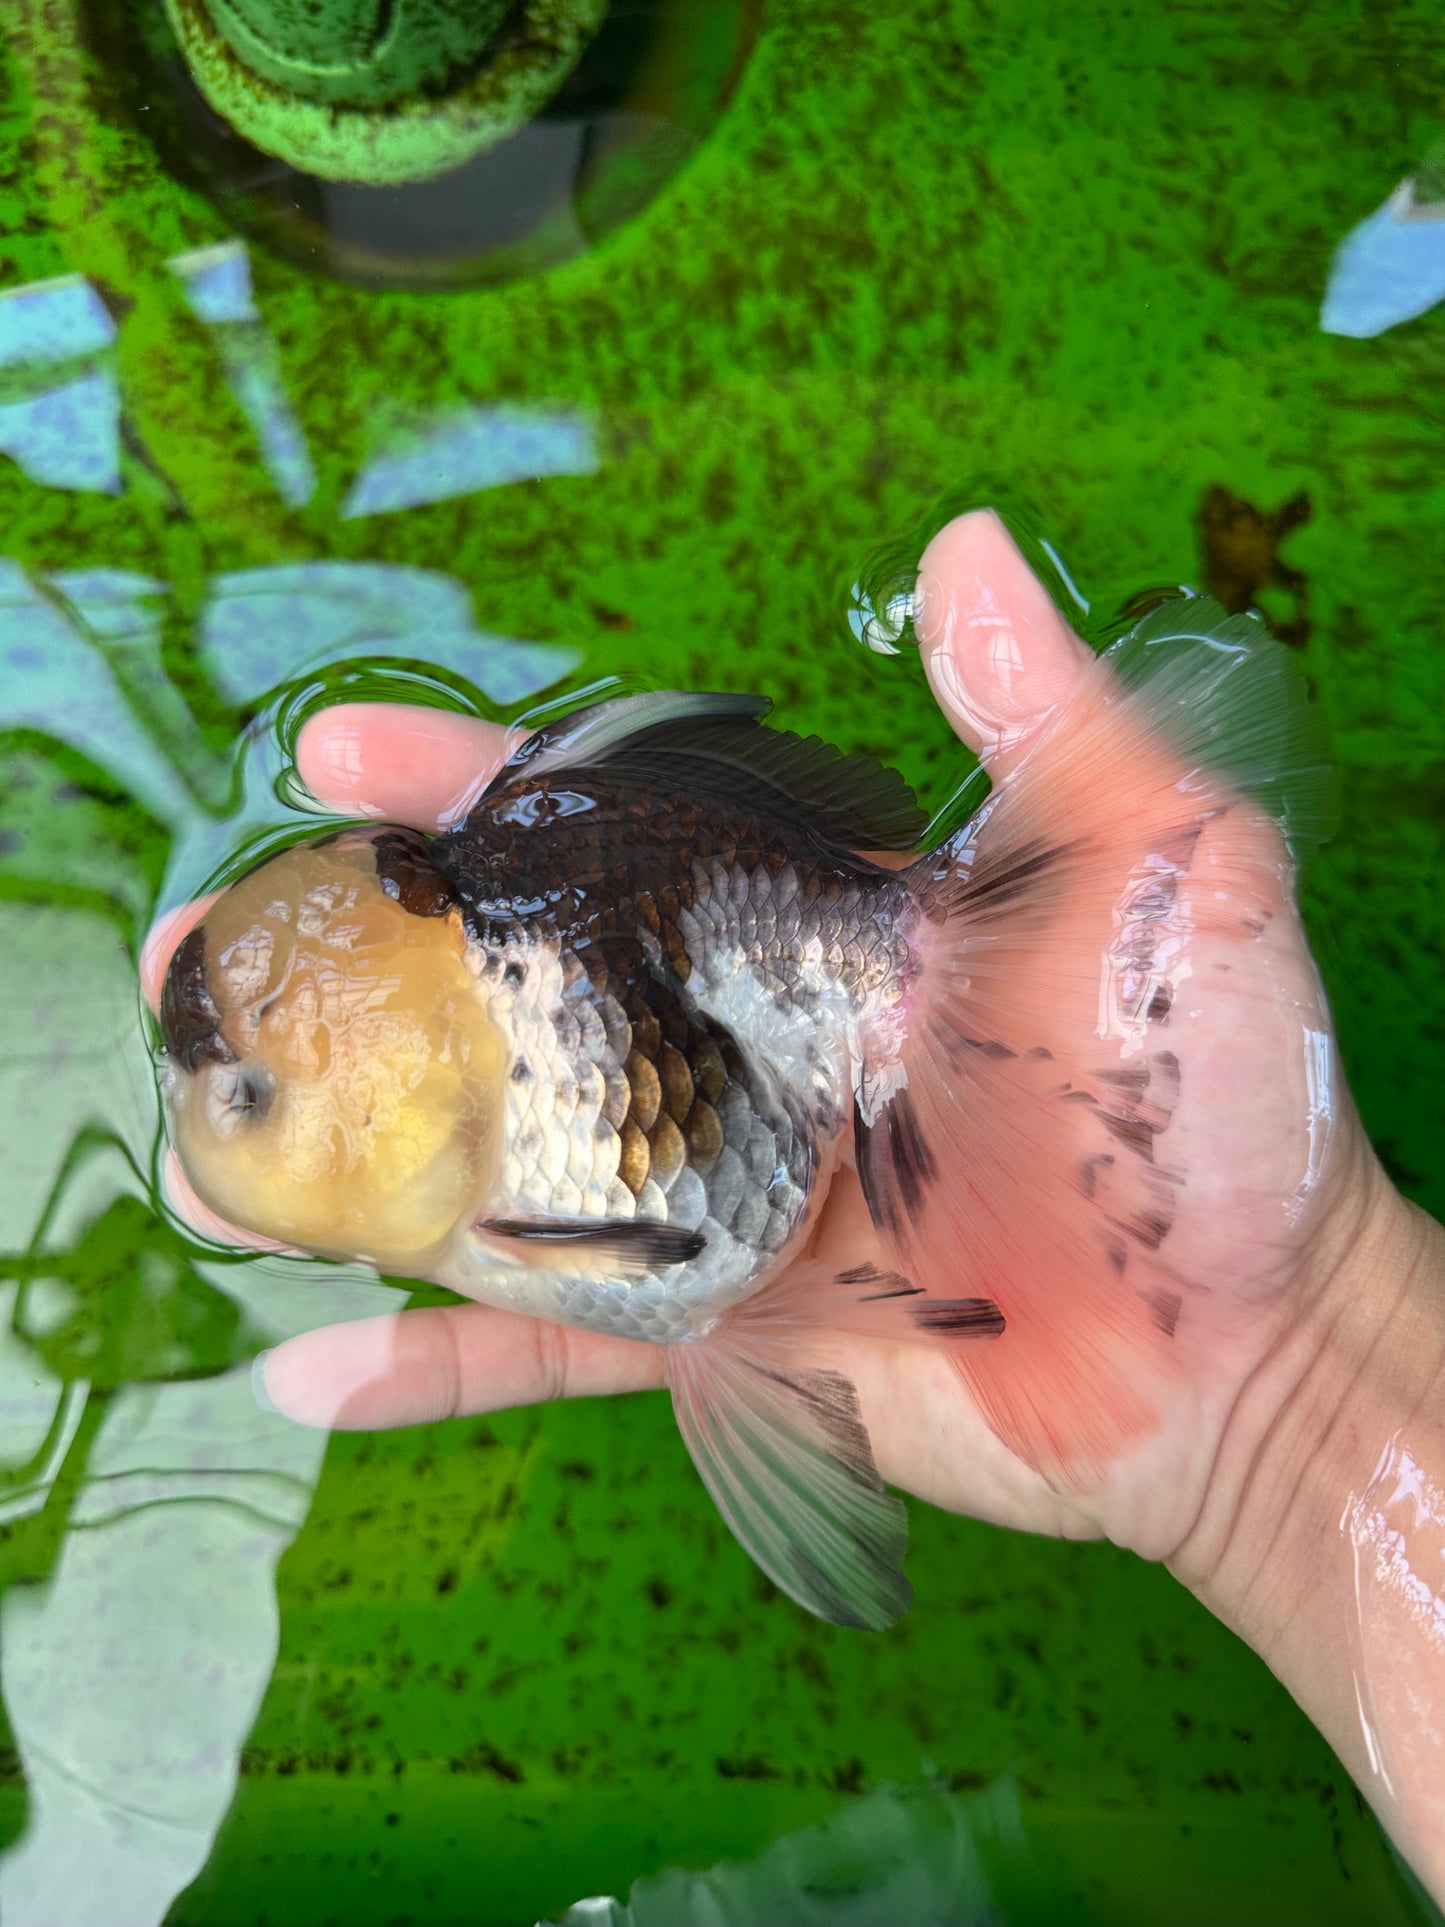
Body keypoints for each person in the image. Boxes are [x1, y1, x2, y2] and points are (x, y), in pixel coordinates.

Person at [142, 510, 1445, 1900]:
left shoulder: (520, 1196)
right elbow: (698, 1284)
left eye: (257, 1095)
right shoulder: (483, 1157)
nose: (223, 1104)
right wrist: (1293, 1400)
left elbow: (675, 1264)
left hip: (765, 981)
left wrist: (1285, 1371)